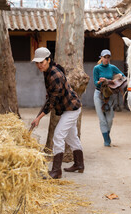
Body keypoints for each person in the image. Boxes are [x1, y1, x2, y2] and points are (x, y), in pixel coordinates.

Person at [31, 47, 84, 179]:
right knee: (71, 137)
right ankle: (79, 164)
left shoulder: (55, 75)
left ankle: (56, 171)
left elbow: (52, 102)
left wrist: (38, 118)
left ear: (48, 60)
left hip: (71, 109)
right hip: (68, 108)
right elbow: (51, 97)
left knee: (58, 136)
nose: (39, 65)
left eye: (41, 62)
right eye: (37, 63)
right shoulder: (47, 71)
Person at [93, 49, 125, 147]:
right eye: (104, 57)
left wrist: (117, 77)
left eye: (108, 57)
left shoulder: (112, 67)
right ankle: (107, 140)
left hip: (109, 94)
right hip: (99, 94)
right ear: (101, 58)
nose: (106, 59)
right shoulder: (96, 68)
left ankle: (107, 135)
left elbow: (122, 75)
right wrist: (100, 81)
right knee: (102, 119)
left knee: (110, 118)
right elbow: (95, 81)